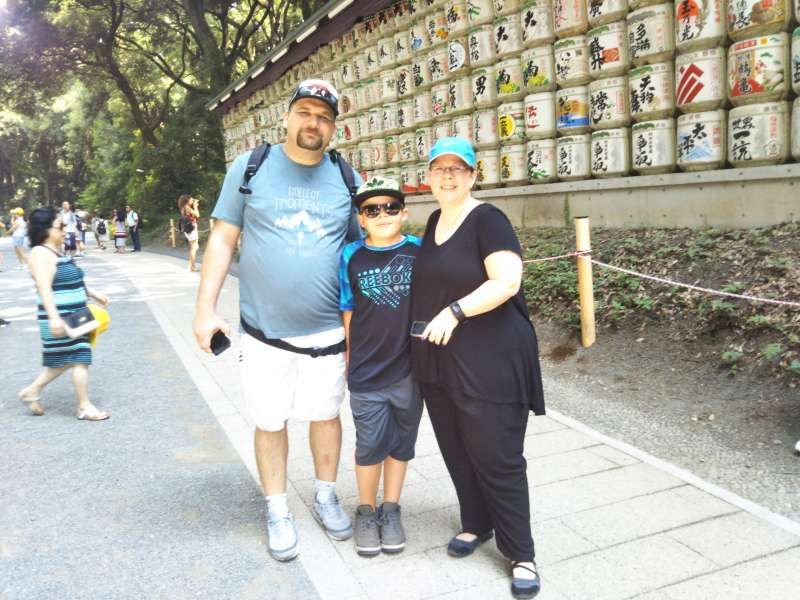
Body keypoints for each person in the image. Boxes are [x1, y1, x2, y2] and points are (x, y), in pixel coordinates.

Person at [193, 79, 361, 562]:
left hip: (329, 330)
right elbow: (223, 240)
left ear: (334, 127)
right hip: (264, 331)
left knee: (326, 414)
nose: (314, 123)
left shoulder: (345, 178)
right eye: (305, 112)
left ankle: (326, 493)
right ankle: (277, 507)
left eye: (324, 117)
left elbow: (356, 252)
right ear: (287, 117)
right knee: (269, 420)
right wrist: (205, 309)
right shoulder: (251, 169)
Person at [410, 137, 545, 600]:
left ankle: (521, 552)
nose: (447, 176)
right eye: (439, 168)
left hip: (491, 360)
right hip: (441, 360)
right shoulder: (433, 221)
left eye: (457, 169)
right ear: (428, 175)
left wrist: (455, 312)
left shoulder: (488, 220)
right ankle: (477, 522)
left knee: (497, 456)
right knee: (457, 448)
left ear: (472, 175)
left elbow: (507, 281)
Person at [339, 177, 423, 557]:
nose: (382, 214)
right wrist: (350, 358)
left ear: (404, 212)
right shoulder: (350, 256)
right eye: (372, 209)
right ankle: (366, 510)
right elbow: (348, 309)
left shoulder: (421, 252)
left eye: (391, 207)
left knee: (402, 442)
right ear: (361, 218)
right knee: (370, 443)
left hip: (410, 371)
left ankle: (391, 509)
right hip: (367, 372)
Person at [17, 207, 111, 421]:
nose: (65, 230)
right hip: (62, 316)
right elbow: (43, 287)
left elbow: (73, 279)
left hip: (75, 314)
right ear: (45, 229)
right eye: (60, 226)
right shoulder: (41, 254)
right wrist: (54, 318)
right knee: (79, 357)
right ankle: (84, 406)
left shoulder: (56, 252)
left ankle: (32, 391)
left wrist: (94, 294)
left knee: (67, 358)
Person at [177, 195, 200, 271]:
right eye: (191, 199)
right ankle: (192, 267)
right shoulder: (187, 207)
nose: (192, 201)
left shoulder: (183, 208)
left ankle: (190, 266)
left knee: (192, 248)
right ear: (187, 200)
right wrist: (195, 206)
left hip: (187, 229)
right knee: (194, 248)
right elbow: (197, 215)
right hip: (191, 229)